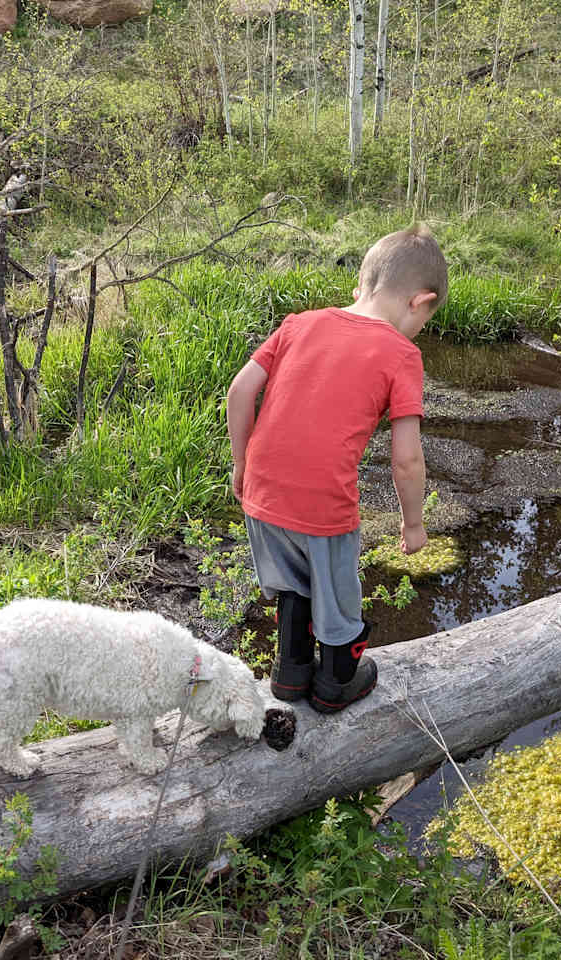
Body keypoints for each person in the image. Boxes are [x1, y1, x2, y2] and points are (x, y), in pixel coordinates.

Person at [226, 225, 448, 713]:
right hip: (324, 505)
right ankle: (335, 683)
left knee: (291, 585)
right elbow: (407, 458)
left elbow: (240, 392)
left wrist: (242, 465)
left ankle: (289, 676)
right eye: (424, 321)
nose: (418, 333)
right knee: (337, 593)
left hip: (261, 494)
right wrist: (413, 524)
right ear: (420, 301)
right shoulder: (401, 353)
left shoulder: (298, 323)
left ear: (360, 289)